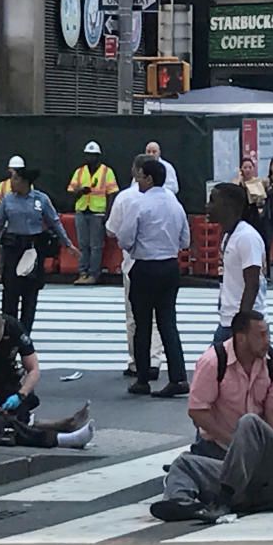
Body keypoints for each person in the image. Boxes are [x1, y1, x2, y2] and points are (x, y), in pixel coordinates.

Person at [115, 159, 191, 398]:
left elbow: (125, 238)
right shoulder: (175, 203)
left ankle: (143, 378)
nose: (137, 179)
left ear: (148, 178)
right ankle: (178, 377)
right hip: (169, 265)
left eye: (139, 175)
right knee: (168, 323)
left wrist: (138, 245)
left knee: (142, 325)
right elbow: (185, 240)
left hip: (145, 266)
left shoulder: (139, 203)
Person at [0, 168, 79, 334]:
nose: (11, 182)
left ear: (24, 181)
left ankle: (25, 332)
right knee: (10, 293)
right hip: (13, 249)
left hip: (33, 250)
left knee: (30, 294)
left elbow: (55, 222)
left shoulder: (41, 199)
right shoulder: (7, 200)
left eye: (15, 179)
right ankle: (9, 330)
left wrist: (68, 244)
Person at [187, 310, 273, 459]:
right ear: (241, 338)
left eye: (267, 334)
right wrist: (232, 442)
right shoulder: (213, 362)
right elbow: (197, 411)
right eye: (260, 335)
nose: (267, 340)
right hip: (217, 446)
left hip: (256, 446)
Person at [106, 155, 165, 379]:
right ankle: (155, 360)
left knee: (135, 316)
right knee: (159, 317)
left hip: (135, 263)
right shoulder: (169, 199)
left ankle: (136, 362)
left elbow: (113, 231)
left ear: (139, 172)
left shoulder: (127, 198)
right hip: (164, 263)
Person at [207, 183, 266, 344]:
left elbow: (252, 283)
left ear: (228, 206)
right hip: (228, 319)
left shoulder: (246, 237)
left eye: (213, 201)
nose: (208, 206)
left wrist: (242, 324)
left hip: (240, 322)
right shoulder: (229, 235)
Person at [67, 141, 120, 285]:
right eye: (88, 155)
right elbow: (71, 192)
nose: (90, 158)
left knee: (96, 246)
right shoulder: (79, 172)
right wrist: (80, 191)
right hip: (82, 211)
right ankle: (82, 272)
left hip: (98, 213)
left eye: (93, 155)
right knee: (83, 244)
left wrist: (108, 215)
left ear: (98, 156)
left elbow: (112, 194)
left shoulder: (106, 172)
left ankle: (93, 274)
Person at [0, 155, 25, 284]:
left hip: (20, 224)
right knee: (4, 250)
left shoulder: (27, 185)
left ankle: (20, 274)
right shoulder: (3, 185)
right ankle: (2, 274)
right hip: (6, 224)